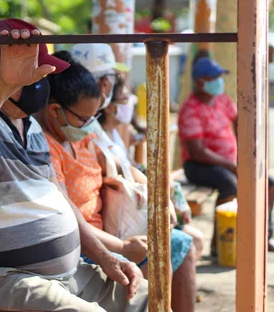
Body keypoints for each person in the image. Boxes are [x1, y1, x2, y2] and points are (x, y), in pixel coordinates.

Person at [0, 18, 148, 312]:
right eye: (35, 74)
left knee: (149, 299)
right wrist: (3, 84)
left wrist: (106, 257)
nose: (44, 82)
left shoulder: (31, 127)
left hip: (61, 275)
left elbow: (61, 200)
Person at [36, 48, 196, 312]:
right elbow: (69, 216)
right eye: (85, 119)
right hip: (85, 243)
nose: (90, 125)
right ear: (55, 111)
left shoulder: (81, 133)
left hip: (109, 229)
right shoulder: (46, 146)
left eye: (93, 118)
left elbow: (119, 165)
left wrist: (158, 197)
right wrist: (120, 247)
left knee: (176, 245)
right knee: (148, 265)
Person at [101, 75, 204, 260]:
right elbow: (127, 171)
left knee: (194, 240)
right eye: (125, 100)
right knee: (192, 241)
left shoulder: (116, 133)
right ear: (108, 105)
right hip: (130, 214)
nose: (130, 104)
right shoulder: (99, 138)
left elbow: (131, 167)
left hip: (138, 206)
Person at [178, 57, 274, 253]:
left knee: (269, 183)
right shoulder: (190, 108)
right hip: (198, 165)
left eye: (220, 77)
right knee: (229, 185)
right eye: (214, 77)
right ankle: (221, 243)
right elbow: (197, 151)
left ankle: (266, 235)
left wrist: (244, 151)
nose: (219, 81)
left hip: (228, 162)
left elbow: (238, 118)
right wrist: (231, 165)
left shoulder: (221, 100)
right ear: (199, 82)